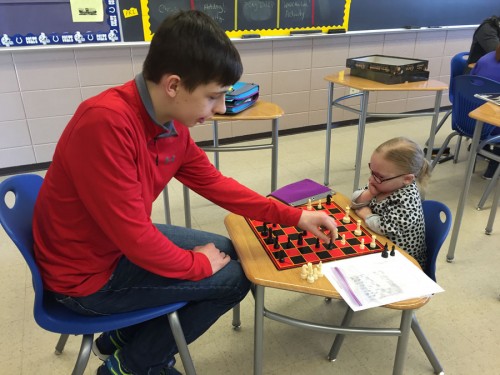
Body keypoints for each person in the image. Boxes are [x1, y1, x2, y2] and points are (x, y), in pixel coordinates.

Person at [32, 10, 338, 375]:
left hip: (110, 245)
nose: (221, 109)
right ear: (173, 85)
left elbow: (218, 185)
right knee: (233, 279)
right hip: (86, 279)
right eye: (214, 97)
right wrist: (196, 265)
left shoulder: (169, 123)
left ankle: (120, 338)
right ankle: (132, 365)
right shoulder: (105, 124)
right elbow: (135, 237)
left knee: (232, 250)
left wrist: (296, 216)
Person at [350, 137, 431, 269]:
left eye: (379, 176)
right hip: (378, 245)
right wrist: (369, 194)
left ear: (407, 179)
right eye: (372, 172)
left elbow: (385, 228)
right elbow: (354, 201)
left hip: (403, 264)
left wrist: (366, 215)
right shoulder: (382, 182)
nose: (371, 179)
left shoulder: (406, 201)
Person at [470, 44, 500, 179]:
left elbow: (470, 81)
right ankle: (494, 165)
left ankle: (482, 149)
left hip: (470, 118)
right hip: (494, 124)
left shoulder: (485, 58)